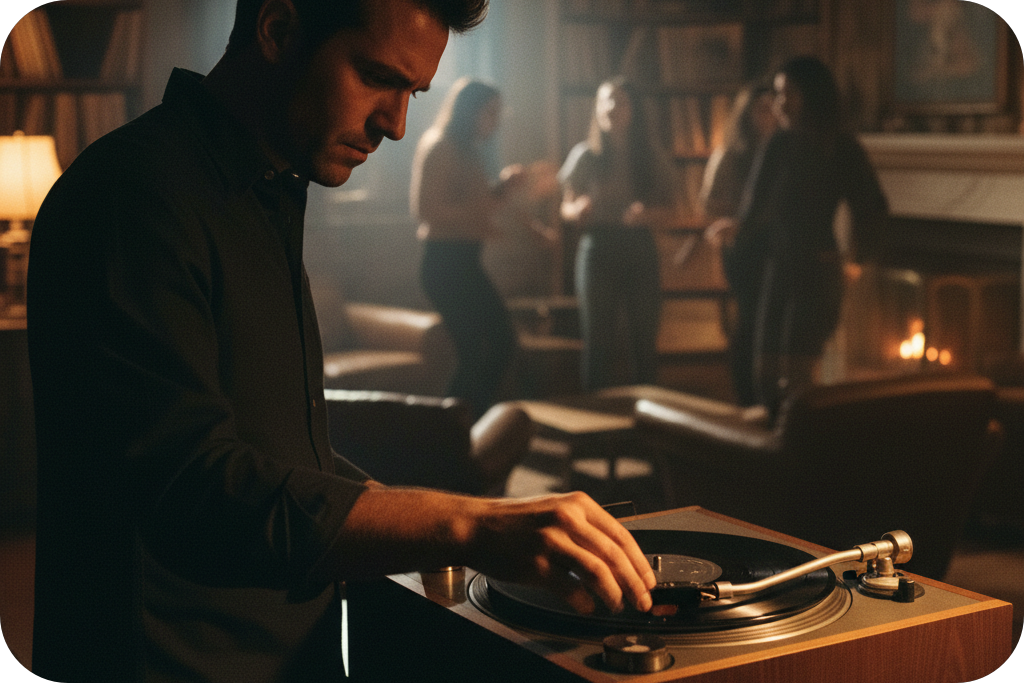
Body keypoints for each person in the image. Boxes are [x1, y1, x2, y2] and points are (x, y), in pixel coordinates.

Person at [26, 2, 656, 682]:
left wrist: (463, 524)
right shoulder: (133, 194)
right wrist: (466, 524)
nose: (395, 123)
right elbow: (194, 486)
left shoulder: (265, 188)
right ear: (277, 28)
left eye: (412, 93)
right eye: (375, 76)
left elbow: (279, 450)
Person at [711, 56, 888, 415]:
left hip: (817, 273)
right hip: (778, 270)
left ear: (811, 94)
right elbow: (754, 206)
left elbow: (873, 210)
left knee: (798, 380)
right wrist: (737, 227)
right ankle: (771, 459)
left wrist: (855, 262)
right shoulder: (777, 145)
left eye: (786, 93)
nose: (778, 103)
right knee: (763, 375)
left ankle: (802, 462)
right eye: (776, 93)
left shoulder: (842, 148)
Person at [412, 77, 554, 419]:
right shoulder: (440, 145)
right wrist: (481, 213)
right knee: (481, 351)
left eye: (498, 113)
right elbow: (426, 211)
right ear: (469, 110)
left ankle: (463, 424)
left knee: (498, 345)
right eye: (490, 112)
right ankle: (451, 427)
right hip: (445, 265)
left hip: (465, 263)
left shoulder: (468, 150)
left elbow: (481, 204)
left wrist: (504, 190)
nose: (496, 120)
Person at [558, 76, 679, 391]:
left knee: (644, 340)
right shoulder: (585, 154)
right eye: (605, 100)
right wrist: (578, 209)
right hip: (597, 248)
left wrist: (647, 215)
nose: (612, 107)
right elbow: (565, 209)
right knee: (597, 342)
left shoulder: (650, 156)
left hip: (638, 247)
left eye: (620, 100)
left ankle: (648, 419)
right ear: (597, 108)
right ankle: (595, 422)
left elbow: (674, 210)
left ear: (634, 109)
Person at [701, 84, 778, 406]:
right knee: (749, 320)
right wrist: (736, 220)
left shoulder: (785, 150)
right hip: (745, 249)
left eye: (772, 106)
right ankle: (746, 396)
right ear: (746, 115)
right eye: (761, 108)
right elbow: (708, 203)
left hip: (777, 248)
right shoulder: (731, 155)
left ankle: (769, 396)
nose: (769, 114)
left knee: (772, 324)